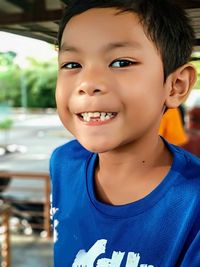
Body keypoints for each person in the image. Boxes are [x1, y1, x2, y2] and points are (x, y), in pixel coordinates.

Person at [50, 0, 200, 266]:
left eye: (121, 62)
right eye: (72, 64)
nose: (87, 83)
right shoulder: (63, 163)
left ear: (176, 86)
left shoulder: (192, 204)